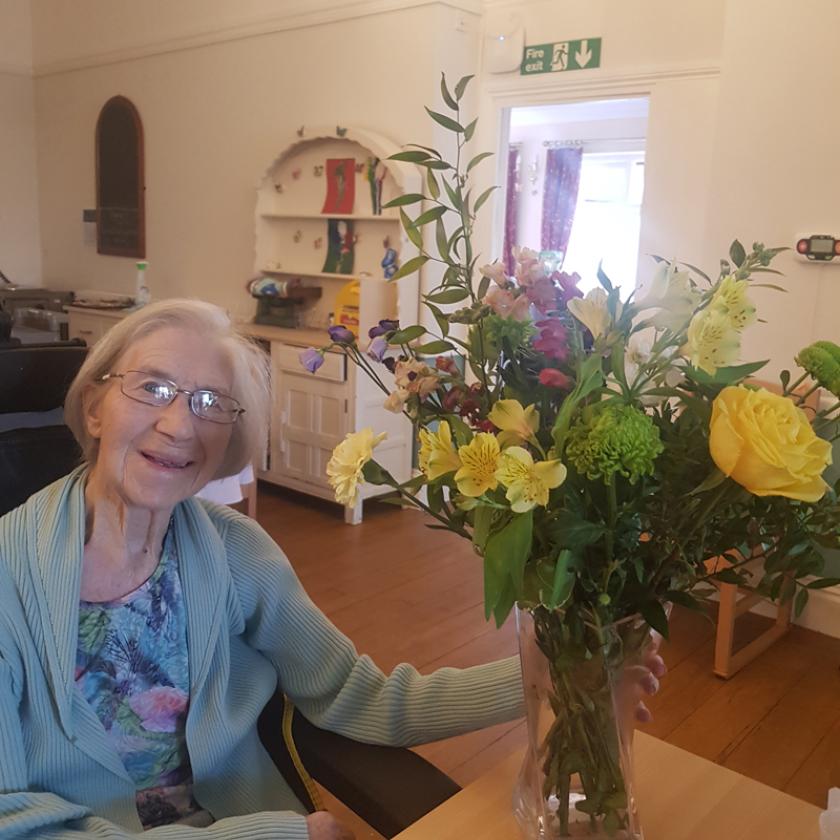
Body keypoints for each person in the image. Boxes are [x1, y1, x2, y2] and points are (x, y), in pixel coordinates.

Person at [0, 299, 664, 840]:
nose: (179, 425)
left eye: (209, 404)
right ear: (94, 406)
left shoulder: (237, 554)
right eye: (153, 387)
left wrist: (549, 673)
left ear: (226, 443)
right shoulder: (8, 576)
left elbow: (359, 696)